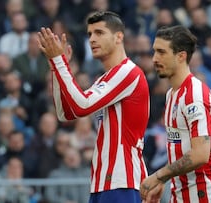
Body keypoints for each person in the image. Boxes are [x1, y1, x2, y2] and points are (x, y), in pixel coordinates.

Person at [37, 11, 150, 203]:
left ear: (118, 37)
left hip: (121, 180)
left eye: (99, 32)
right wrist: (56, 66)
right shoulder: (105, 78)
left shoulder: (128, 71)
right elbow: (66, 113)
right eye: (89, 34)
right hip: (104, 180)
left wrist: (59, 62)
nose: (92, 39)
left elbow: (82, 106)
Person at [140, 25, 211, 203]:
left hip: (208, 197)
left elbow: (200, 154)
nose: (154, 59)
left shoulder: (194, 95)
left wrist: (159, 176)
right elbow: (181, 149)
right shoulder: (171, 94)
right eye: (154, 52)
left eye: (161, 52)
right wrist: (165, 179)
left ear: (181, 56)